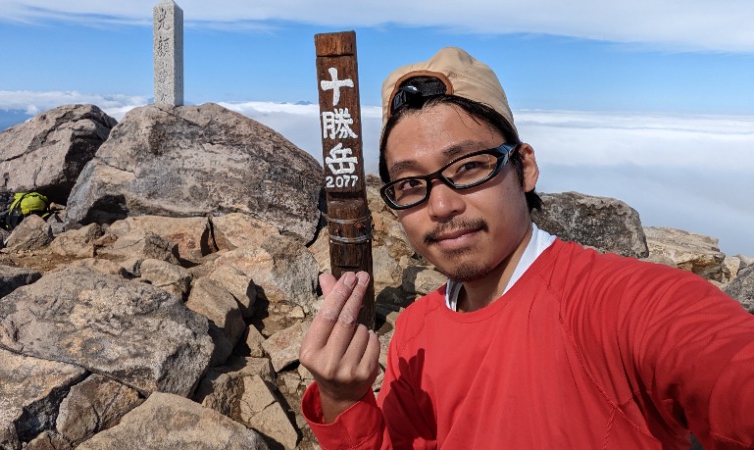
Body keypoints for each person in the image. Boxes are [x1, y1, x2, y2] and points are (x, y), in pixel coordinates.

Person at [298, 47, 754, 449]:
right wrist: (342, 401)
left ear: (525, 167)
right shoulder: (415, 333)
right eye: (411, 183)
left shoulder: (624, 303)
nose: (440, 204)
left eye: (470, 166)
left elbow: (726, 365)